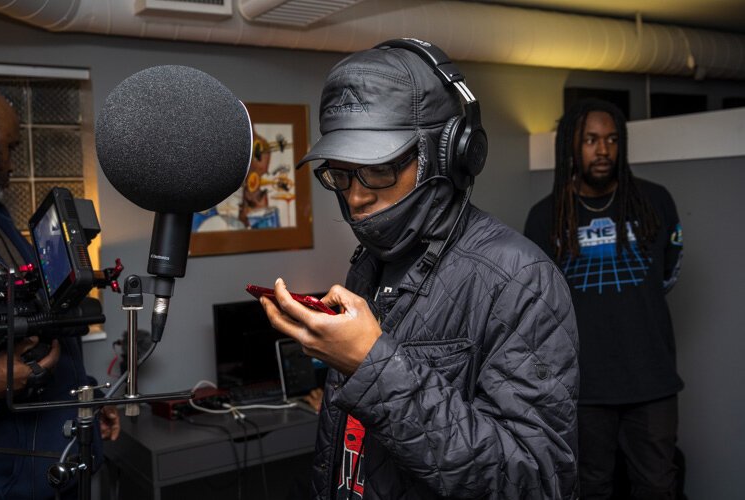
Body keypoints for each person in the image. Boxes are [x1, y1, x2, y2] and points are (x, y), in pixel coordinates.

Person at [259, 39, 579, 499]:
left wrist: (371, 366)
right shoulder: (370, 264)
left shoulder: (520, 279)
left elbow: (534, 481)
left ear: (449, 154)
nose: (356, 196)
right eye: (340, 174)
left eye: (380, 169)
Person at [523, 98, 684, 499]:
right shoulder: (545, 216)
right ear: (571, 146)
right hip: (581, 386)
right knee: (590, 486)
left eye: (612, 139)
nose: (603, 150)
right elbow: (539, 303)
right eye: (591, 140)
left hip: (651, 380)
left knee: (658, 485)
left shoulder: (656, 201)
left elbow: (667, 274)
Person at [0, 90, 120, 499]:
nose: (11, 164)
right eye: (9, 147)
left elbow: (47, 321)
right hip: (17, 479)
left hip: (63, 457)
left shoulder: (1, 221)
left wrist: (87, 396)